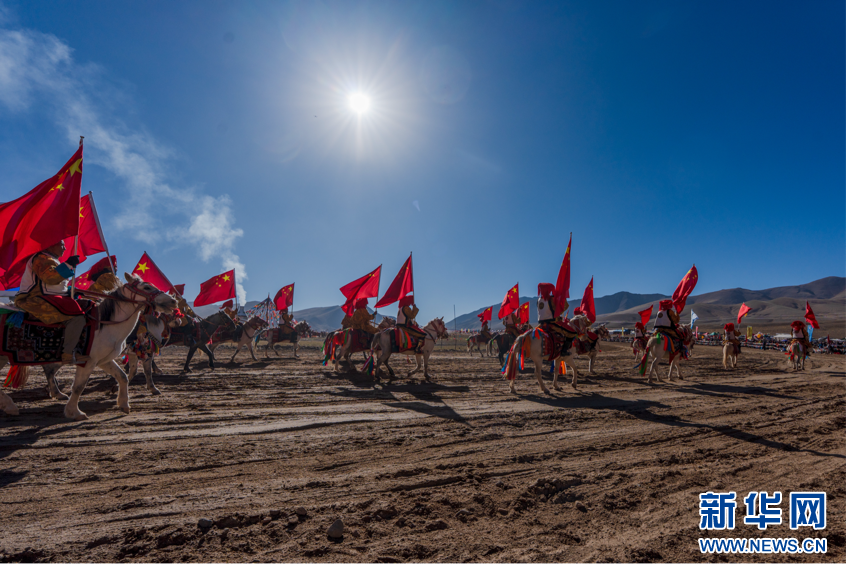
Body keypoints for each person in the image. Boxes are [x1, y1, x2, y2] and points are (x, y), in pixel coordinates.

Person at [13, 241, 90, 364]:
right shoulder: (41, 258)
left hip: (48, 297)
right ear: (50, 244)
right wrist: (68, 264)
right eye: (62, 245)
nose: (65, 248)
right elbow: (50, 278)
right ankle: (68, 354)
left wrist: (70, 291)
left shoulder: (50, 259)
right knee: (77, 318)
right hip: (34, 300)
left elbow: (55, 286)